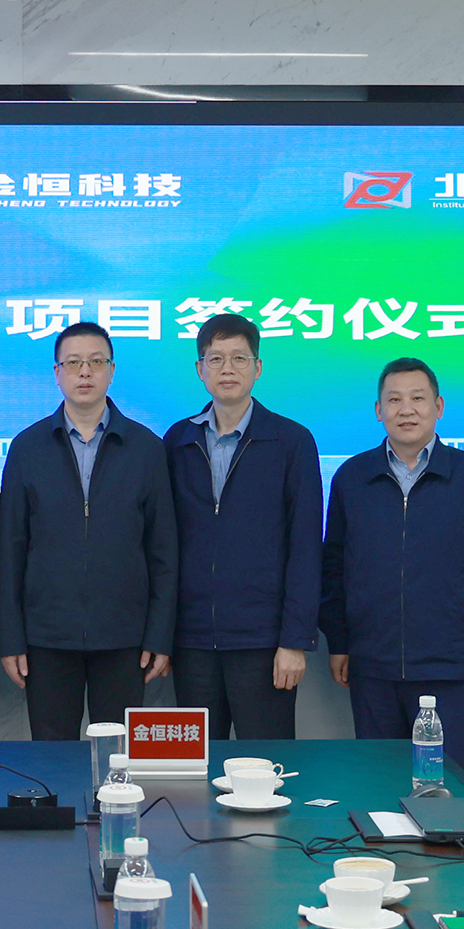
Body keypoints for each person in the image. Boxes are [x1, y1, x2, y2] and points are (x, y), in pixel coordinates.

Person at [321, 358, 464, 770]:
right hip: (372, 664)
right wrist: (338, 641)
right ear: (379, 410)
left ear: (438, 407)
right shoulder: (352, 478)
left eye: (418, 398)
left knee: (446, 787)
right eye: (394, 400)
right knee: (379, 783)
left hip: (447, 664)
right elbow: (334, 566)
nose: (406, 410)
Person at [0, 322, 177, 739]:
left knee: (117, 758)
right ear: (57, 373)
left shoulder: (146, 448)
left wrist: (159, 635)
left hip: (124, 638)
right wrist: (11, 638)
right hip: (46, 638)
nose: (85, 372)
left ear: (111, 371)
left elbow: (164, 552)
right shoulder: (27, 447)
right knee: (51, 757)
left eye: (96, 362)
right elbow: (10, 550)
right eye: (73, 363)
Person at [162, 314, 321, 741]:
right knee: (196, 766)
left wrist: (294, 640)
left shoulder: (292, 441)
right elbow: (162, 545)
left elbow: (306, 547)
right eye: (215, 359)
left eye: (239, 358)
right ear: (200, 370)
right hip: (192, 642)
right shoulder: (177, 441)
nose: (227, 368)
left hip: (263, 642)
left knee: (266, 766)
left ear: (258, 367)